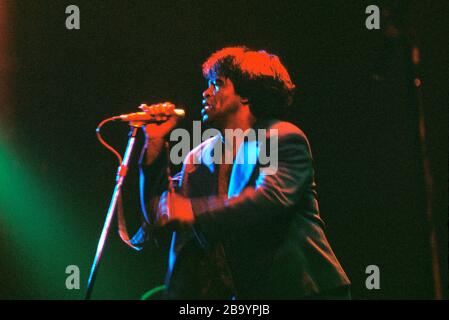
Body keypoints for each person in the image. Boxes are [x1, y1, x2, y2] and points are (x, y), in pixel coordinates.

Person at [129, 46, 351, 299]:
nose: (205, 92)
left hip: (304, 289)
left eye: (217, 84)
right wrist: (154, 143)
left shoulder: (281, 136)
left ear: (245, 93)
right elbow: (162, 215)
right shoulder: (199, 157)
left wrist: (193, 210)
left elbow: (270, 197)